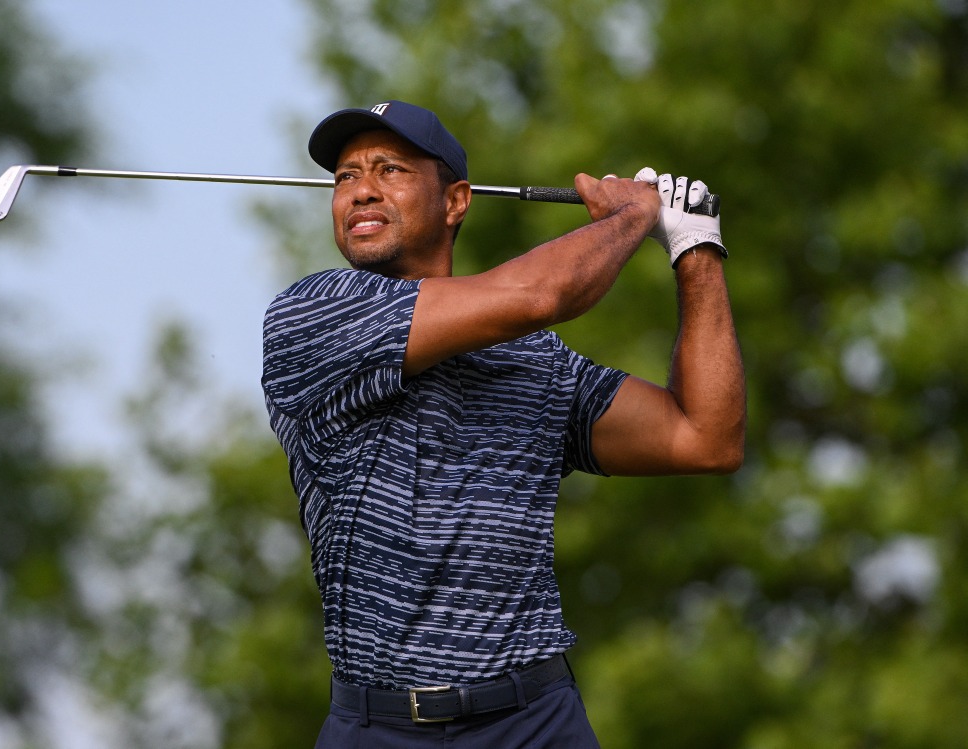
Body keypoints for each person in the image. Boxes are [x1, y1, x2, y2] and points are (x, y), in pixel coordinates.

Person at [260, 100, 745, 748]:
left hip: (534, 722)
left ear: (456, 200)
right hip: (378, 728)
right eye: (345, 176)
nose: (361, 190)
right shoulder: (312, 318)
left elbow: (706, 437)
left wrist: (696, 249)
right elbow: (540, 295)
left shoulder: (536, 361)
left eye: (390, 169)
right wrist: (635, 214)